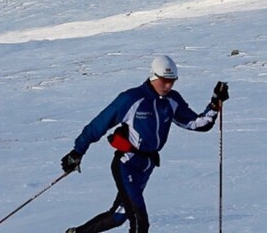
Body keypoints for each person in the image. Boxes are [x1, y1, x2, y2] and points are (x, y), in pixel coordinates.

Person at [61, 55, 228, 233]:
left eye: (173, 81)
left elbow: (197, 123)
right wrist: (77, 152)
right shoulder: (132, 99)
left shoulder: (172, 100)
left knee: (118, 216)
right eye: (165, 81)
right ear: (153, 76)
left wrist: (214, 103)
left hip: (146, 166)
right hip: (126, 163)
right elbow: (98, 125)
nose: (169, 86)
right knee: (140, 223)